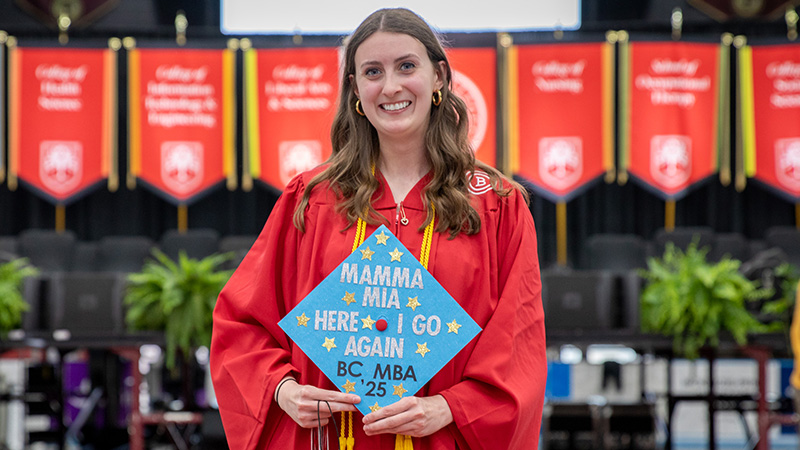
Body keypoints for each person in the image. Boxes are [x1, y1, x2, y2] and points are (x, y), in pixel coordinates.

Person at [210, 7, 547, 449]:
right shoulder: (312, 200)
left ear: (439, 76)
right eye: (372, 71)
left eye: (406, 66)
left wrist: (448, 408)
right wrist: (283, 391)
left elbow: (518, 345)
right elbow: (241, 325)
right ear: (355, 88)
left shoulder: (496, 205)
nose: (390, 87)